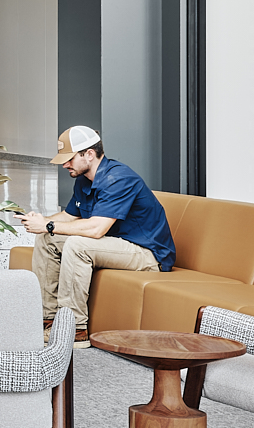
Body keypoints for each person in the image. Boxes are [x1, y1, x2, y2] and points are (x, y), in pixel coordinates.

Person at [22, 125, 176, 344]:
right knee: (47, 239)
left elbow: (96, 229)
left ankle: (74, 330)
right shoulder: (84, 180)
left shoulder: (119, 179)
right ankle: (49, 320)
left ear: (90, 154)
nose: (65, 165)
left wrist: (49, 225)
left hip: (147, 253)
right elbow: (69, 216)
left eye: (70, 159)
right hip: (116, 245)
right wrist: (42, 221)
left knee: (77, 245)